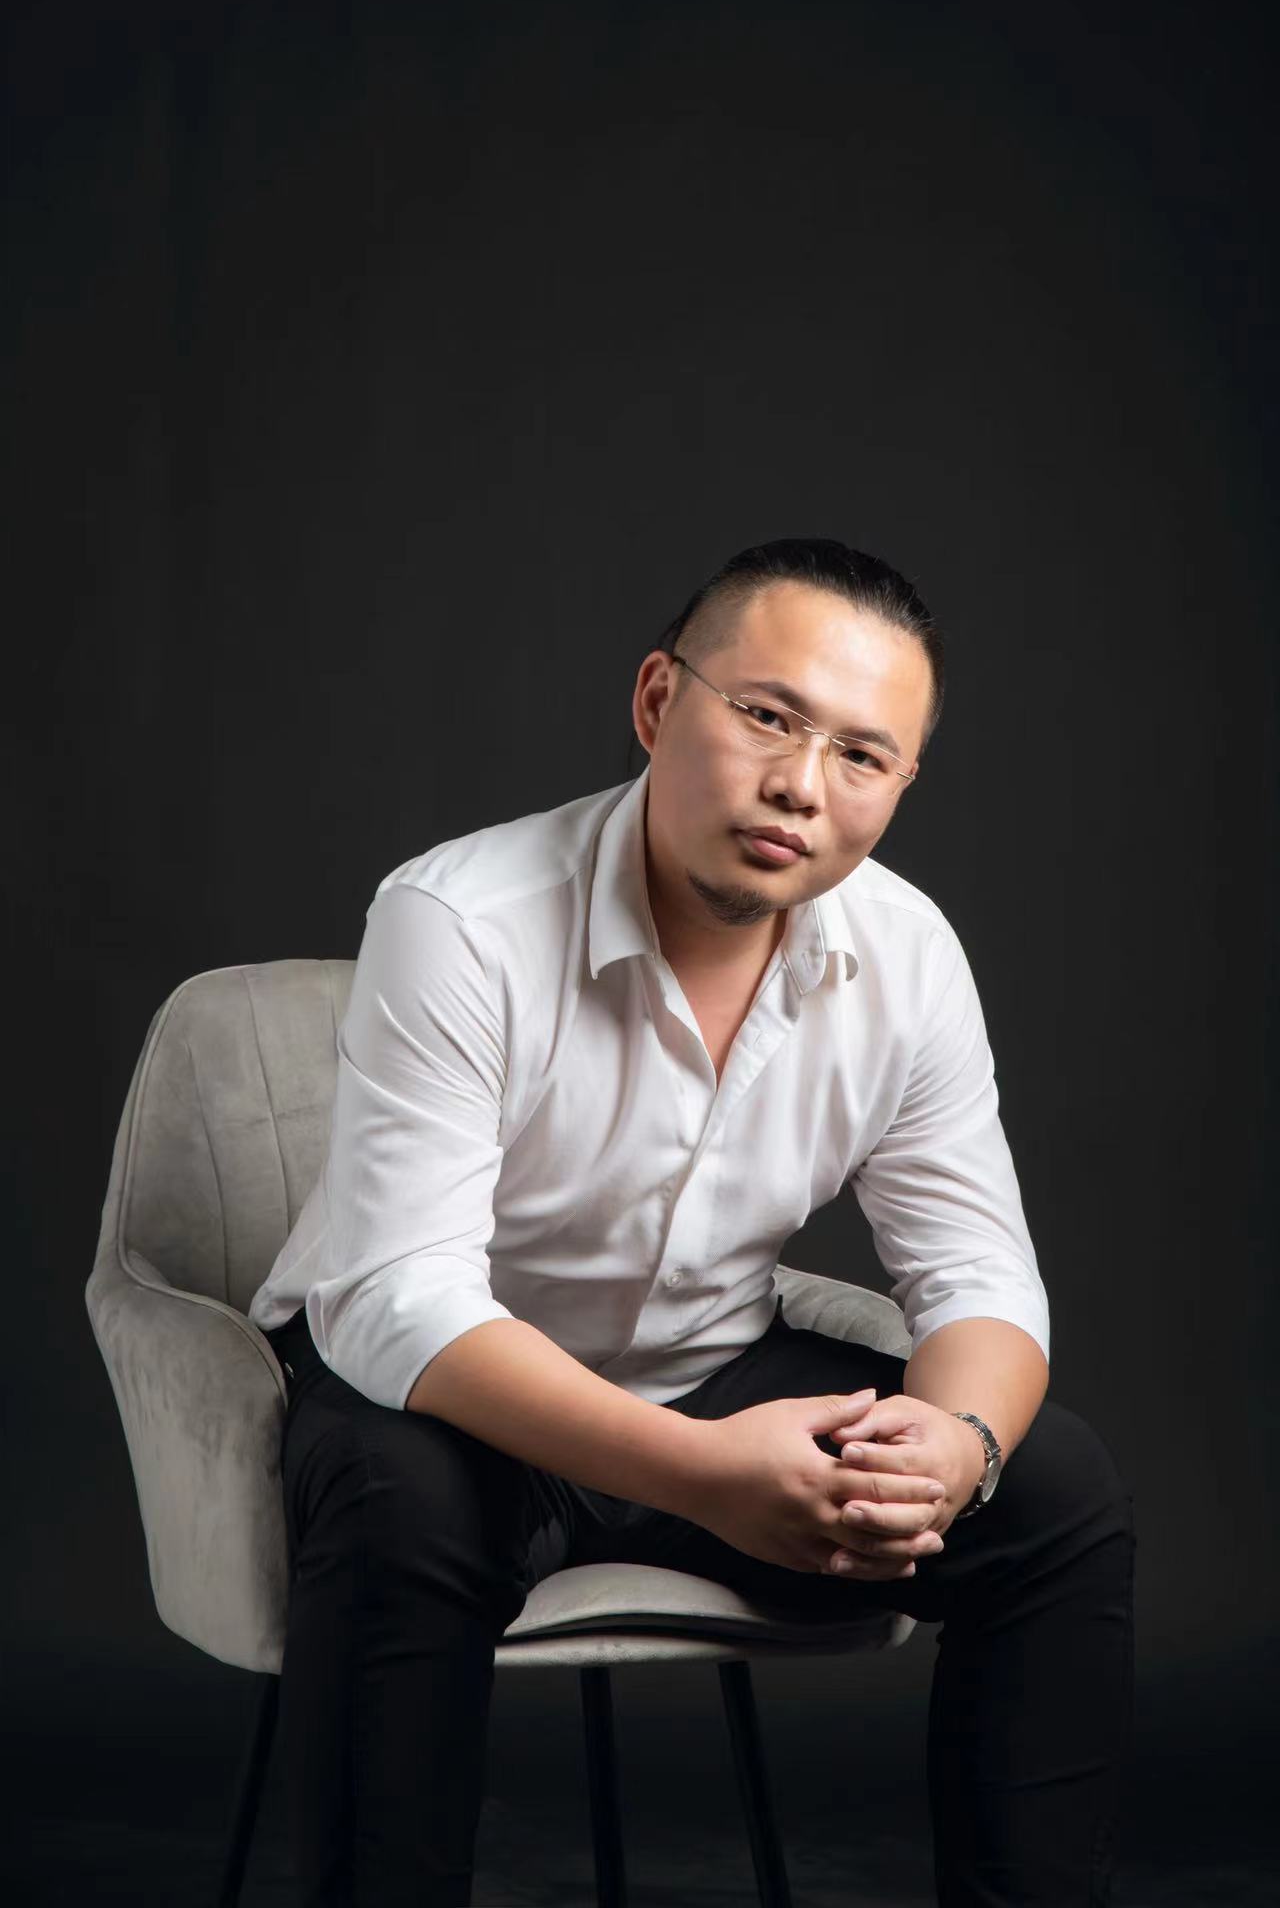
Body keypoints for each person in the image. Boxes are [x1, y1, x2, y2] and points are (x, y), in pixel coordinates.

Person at [249, 536, 1135, 1906]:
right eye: (769, 717)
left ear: (902, 782)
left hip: (715, 1374)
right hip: (457, 1400)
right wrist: (706, 1475)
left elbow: (978, 1274)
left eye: (862, 755)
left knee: (1054, 1487)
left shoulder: (908, 956)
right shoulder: (462, 917)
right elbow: (396, 1297)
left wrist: (955, 1450)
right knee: (395, 1503)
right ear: (660, 701)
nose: (802, 786)